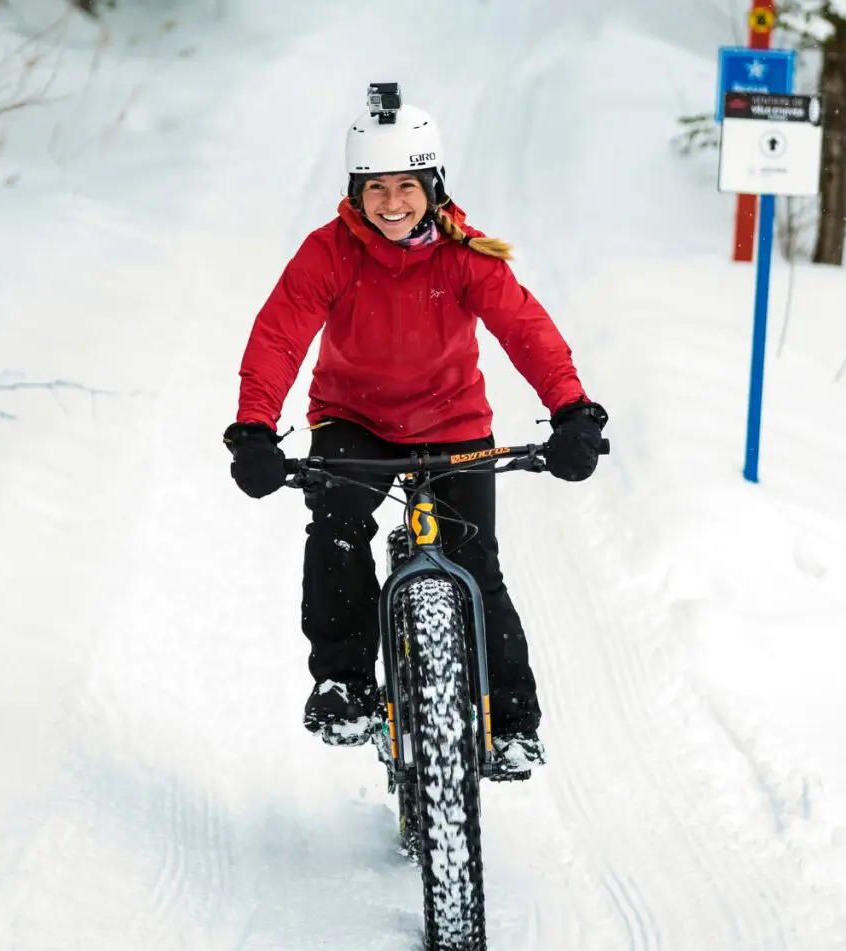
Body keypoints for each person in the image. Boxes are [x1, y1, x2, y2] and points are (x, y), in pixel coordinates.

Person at [223, 84, 608, 780]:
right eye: (375, 188)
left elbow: (528, 332)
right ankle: (345, 686)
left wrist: (573, 411)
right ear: (354, 191)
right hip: (354, 420)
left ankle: (513, 724)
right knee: (337, 528)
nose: (392, 203)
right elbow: (278, 336)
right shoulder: (329, 253)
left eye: (406, 186)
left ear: (433, 186)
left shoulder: (465, 255)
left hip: (454, 424)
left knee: (476, 564)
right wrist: (254, 428)